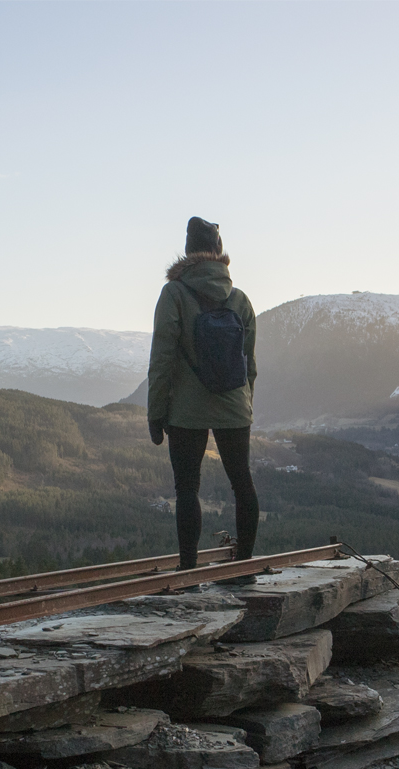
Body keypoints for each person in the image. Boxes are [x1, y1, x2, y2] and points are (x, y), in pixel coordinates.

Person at [146, 216, 266, 583]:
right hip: (234, 407)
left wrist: (156, 413)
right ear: (218, 252)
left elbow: (162, 359)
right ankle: (244, 565)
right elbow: (250, 366)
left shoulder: (174, 295)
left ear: (187, 252)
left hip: (186, 410)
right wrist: (244, 405)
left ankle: (188, 569)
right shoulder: (239, 298)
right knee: (242, 483)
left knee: (187, 488)